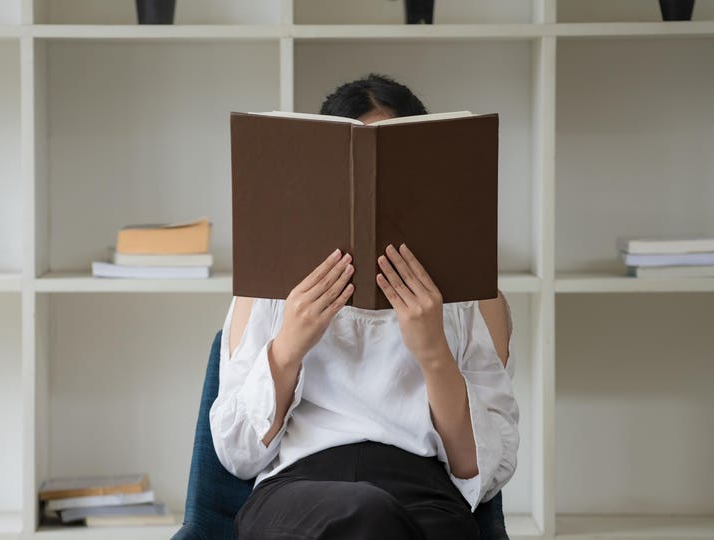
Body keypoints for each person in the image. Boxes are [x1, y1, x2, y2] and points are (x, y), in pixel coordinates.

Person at [210, 73, 520, 540]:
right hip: (297, 493)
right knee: (365, 512)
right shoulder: (268, 289)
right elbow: (236, 455)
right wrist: (290, 345)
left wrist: (433, 350)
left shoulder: (472, 296)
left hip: (425, 493)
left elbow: (486, 472)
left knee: (391, 520)